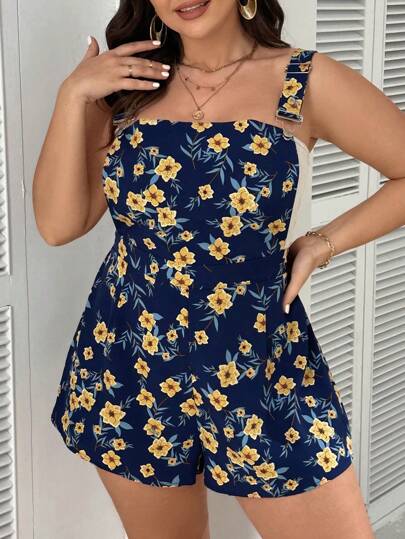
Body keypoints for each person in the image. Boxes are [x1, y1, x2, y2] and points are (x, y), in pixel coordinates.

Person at [32, 0, 405, 537]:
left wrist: (323, 243)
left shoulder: (303, 79)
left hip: (258, 361)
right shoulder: (125, 85)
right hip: (129, 360)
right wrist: (72, 95)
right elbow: (58, 225)